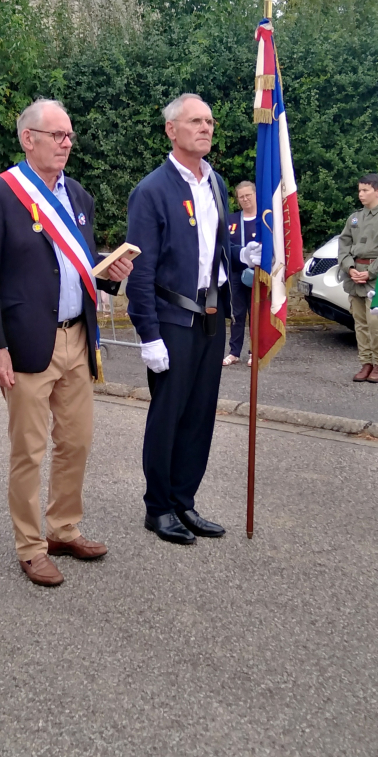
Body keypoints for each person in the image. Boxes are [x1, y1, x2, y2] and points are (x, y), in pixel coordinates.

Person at [0, 98, 134, 586]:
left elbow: (78, 266)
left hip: (77, 338)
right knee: (30, 450)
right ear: (28, 139)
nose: (66, 143)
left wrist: (109, 276)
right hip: (25, 345)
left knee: (77, 442)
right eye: (57, 135)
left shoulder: (78, 196)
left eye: (69, 136)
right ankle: (30, 544)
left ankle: (63, 527)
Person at [125, 93, 231, 545]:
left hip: (212, 316)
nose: (206, 128)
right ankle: (159, 507)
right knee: (168, 415)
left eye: (209, 121)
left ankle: (185, 500)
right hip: (172, 320)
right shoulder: (152, 191)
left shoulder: (217, 184)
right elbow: (141, 270)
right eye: (195, 121)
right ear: (172, 130)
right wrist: (148, 334)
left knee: (200, 415)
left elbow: (213, 250)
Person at [337, 173, 378, 383]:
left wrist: (372, 271)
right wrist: (349, 268)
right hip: (355, 275)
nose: (361, 194)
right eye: (359, 190)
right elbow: (344, 244)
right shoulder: (355, 217)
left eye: (365, 190)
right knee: (360, 322)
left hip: (377, 276)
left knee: (376, 322)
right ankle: (366, 362)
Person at [223, 179, 258, 368]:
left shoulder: (264, 219)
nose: (245, 200)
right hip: (236, 273)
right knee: (237, 313)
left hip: (257, 274)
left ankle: (255, 351)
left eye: (248, 195)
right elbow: (226, 246)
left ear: (255, 195)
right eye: (241, 197)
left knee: (255, 314)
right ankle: (234, 352)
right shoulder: (231, 220)